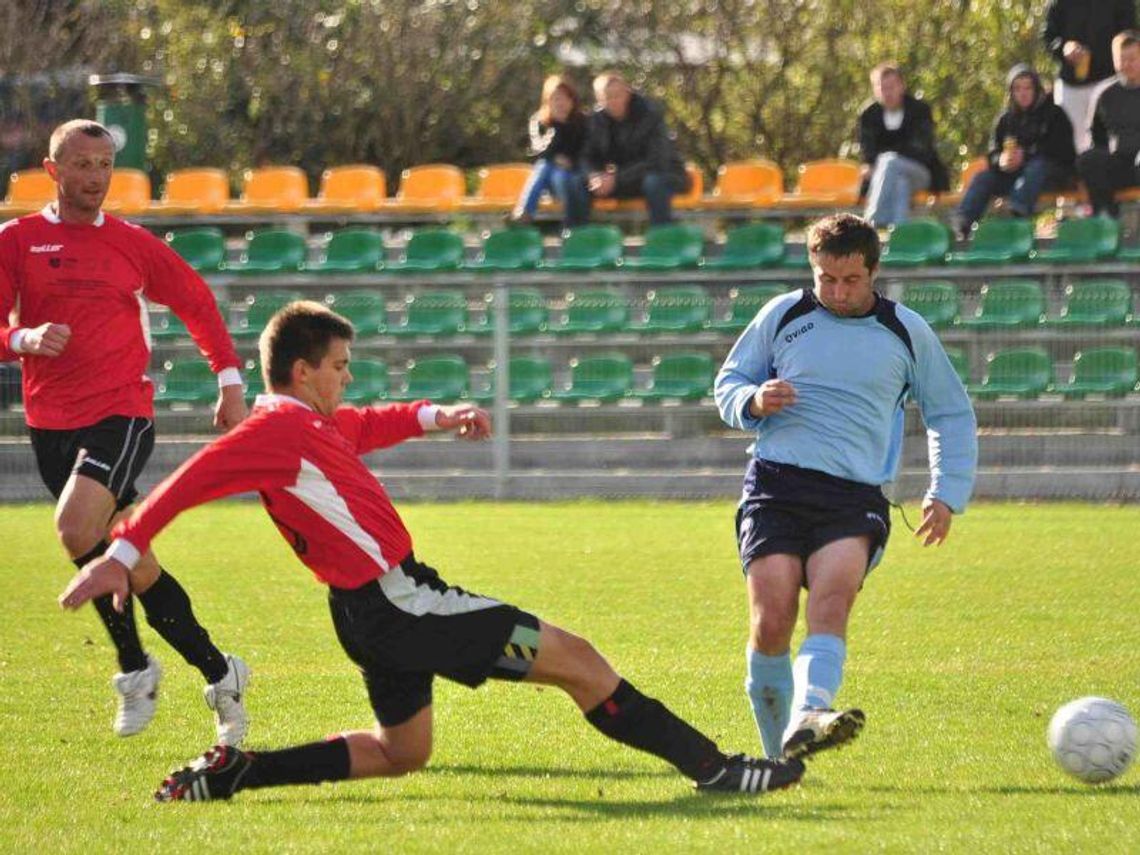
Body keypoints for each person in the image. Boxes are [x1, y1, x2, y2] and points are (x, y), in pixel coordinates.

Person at [58, 300, 805, 802]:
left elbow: (370, 422)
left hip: (371, 610)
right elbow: (187, 483)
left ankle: (237, 773)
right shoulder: (273, 431)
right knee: (580, 662)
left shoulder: (312, 426)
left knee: (401, 750)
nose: (346, 377)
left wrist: (436, 414)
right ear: (301, 371)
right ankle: (718, 769)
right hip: (400, 599)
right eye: (340, 364)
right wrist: (123, 550)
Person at [0, 119, 252, 742]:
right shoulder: (17, 240)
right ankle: (221, 673)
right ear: (52, 170)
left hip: (122, 414)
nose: (94, 177)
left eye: (105, 165)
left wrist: (229, 378)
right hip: (48, 422)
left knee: (74, 528)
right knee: (134, 566)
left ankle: (134, 670)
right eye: (81, 165)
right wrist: (22, 338)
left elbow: (194, 299)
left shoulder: (133, 244)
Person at [714, 213, 977, 762]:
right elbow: (729, 384)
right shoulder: (783, 315)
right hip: (775, 488)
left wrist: (946, 489)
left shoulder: (905, 331)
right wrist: (755, 400)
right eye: (825, 280)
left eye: (850, 281)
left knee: (831, 603)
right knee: (771, 622)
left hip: (854, 498)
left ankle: (810, 709)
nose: (836, 292)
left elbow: (949, 412)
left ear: (873, 272)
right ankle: (779, 757)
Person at [953, 65, 1076, 240]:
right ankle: (963, 222)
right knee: (983, 177)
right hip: (1015, 176)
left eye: (1027, 87)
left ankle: (1016, 215)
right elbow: (993, 153)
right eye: (1017, 88)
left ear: (1036, 89)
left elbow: (1063, 152)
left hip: (1050, 174)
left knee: (1036, 167)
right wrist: (1001, 160)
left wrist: (1025, 156)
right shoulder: (1006, 119)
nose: (1023, 93)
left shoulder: (1054, 115)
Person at [581, 72, 690, 226]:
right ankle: (579, 238)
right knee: (577, 183)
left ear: (627, 93)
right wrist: (593, 176)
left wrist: (616, 179)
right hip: (624, 178)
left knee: (653, 183)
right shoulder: (596, 121)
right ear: (599, 99)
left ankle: (661, 238)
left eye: (617, 95)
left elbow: (656, 161)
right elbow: (586, 156)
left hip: (666, 174)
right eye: (607, 97)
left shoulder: (650, 115)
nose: (613, 101)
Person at [858, 63, 949, 227]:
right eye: (882, 87)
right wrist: (869, 166)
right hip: (884, 177)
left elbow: (921, 150)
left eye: (891, 86)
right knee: (900, 184)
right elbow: (867, 151)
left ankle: (871, 222)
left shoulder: (920, 110)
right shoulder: (868, 115)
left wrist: (883, 161)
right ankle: (899, 237)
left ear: (902, 86)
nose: (887, 92)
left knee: (889, 161)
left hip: (921, 173)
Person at [1042, 0, 1137, 152]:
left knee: (1111, 143)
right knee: (1071, 147)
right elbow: (1048, 36)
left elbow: (1129, 34)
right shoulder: (1059, 3)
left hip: (1110, 82)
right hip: (1071, 85)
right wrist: (1063, 48)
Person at [510, 74, 590, 226]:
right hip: (546, 182)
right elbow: (537, 151)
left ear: (573, 101)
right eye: (556, 98)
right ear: (547, 101)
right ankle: (524, 214)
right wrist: (555, 130)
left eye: (565, 98)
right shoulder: (540, 122)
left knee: (558, 175)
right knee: (544, 166)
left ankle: (568, 223)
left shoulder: (583, 123)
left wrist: (570, 162)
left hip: (573, 179)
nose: (561, 103)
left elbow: (588, 153)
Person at [1076, 31, 1140, 218]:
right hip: (1119, 162)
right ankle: (1107, 218)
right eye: (1122, 59)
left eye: (1133, 58)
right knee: (1088, 160)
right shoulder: (1104, 94)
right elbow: (1096, 137)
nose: (1127, 64)